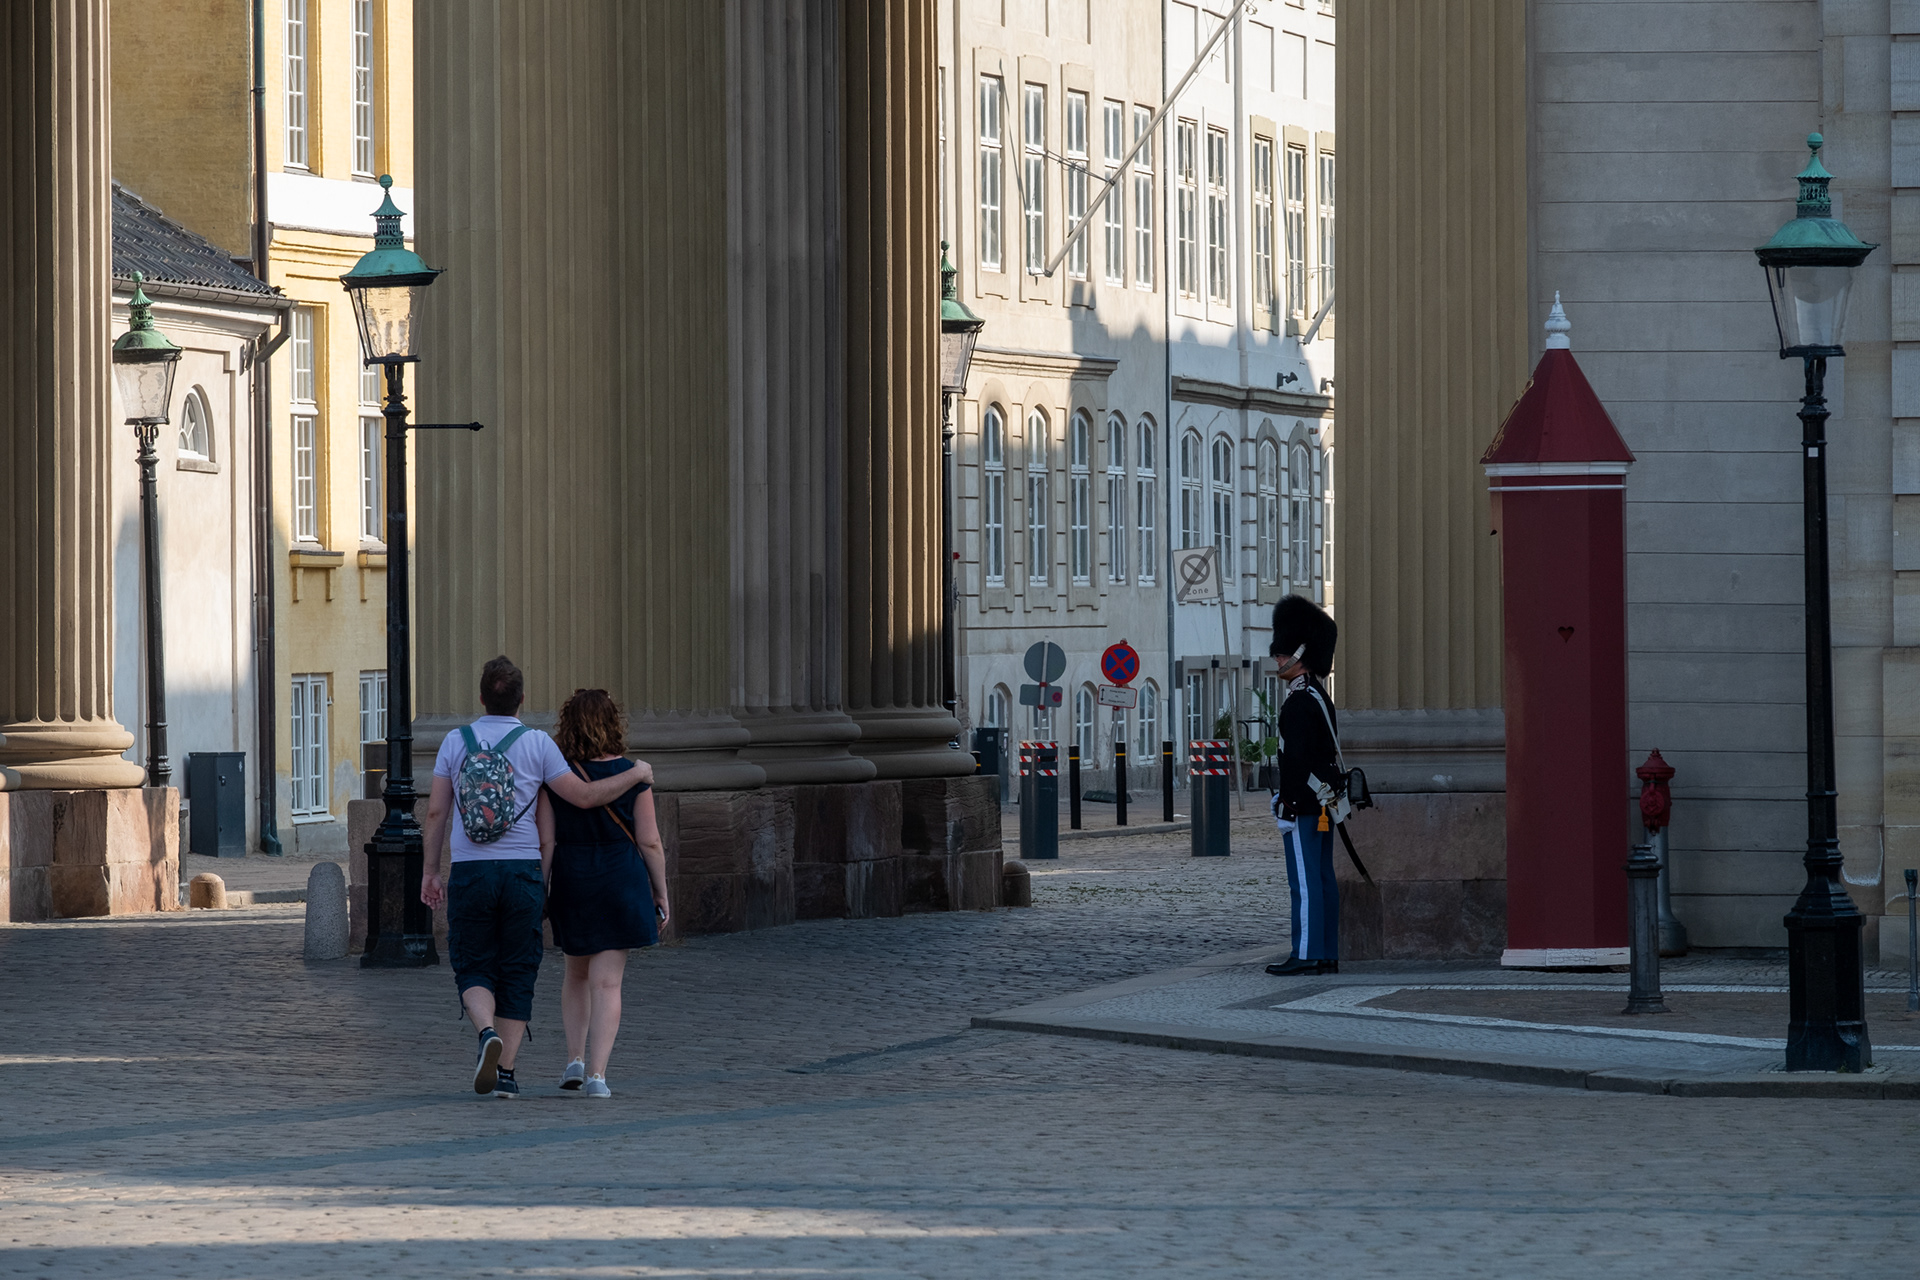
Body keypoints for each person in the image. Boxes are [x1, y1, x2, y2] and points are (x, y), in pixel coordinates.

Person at [420, 656, 653, 1098]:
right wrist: (636, 772)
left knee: (472, 963)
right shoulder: (538, 744)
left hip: (470, 870)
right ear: (521, 700)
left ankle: (485, 1030)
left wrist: (432, 871)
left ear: (482, 697)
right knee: (518, 967)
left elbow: (436, 812)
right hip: (522, 872)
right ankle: (505, 1072)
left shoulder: (455, 741)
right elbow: (584, 797)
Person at [537, 688, 670, 1100]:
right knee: (607, 984)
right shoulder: (636, 775)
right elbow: (649, 842)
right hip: (620, 879)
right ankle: (597, 1076)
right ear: (613, 723)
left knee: (575, 974)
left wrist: (542, 890)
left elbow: (547, 842)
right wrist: (661, 892)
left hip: (573, 878)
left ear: (568, 725)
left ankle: (574, 1059)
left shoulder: (558, 776)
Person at [1265, 595, 1345, 977]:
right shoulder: (1318, 695)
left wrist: (1288, 804)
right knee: (1323, 878)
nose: (1278, 659)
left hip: (1305, 804)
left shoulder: (1297, 702)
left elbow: (1296, 760)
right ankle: (1327, 950)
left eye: (1283, 653)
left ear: (1299, 652)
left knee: (1305, 883)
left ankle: (1307, 951)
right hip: (1325, 803)